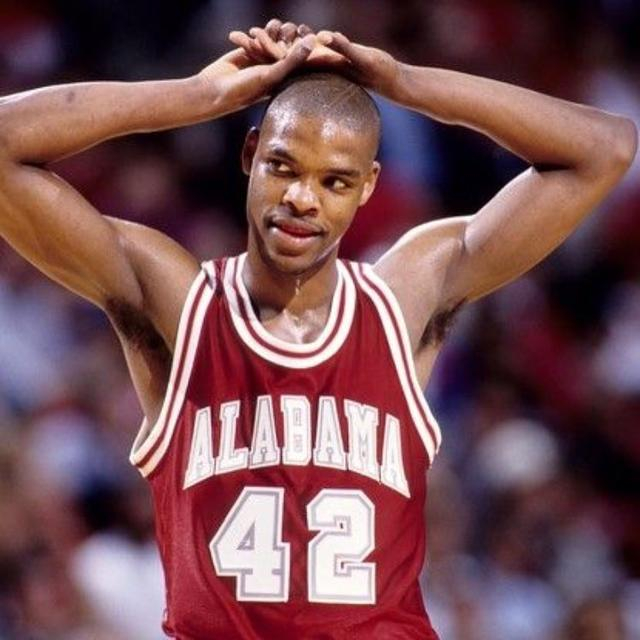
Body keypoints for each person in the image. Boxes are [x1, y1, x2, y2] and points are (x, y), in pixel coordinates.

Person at [0, 18, 636, 640]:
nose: (303, 198)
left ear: (368, 187)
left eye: (335, 181)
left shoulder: (402, 302)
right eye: (283, 166)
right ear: (249, 154)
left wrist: (405, 82)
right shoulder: (179, 304)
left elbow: (604, 147)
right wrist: (197, 96)